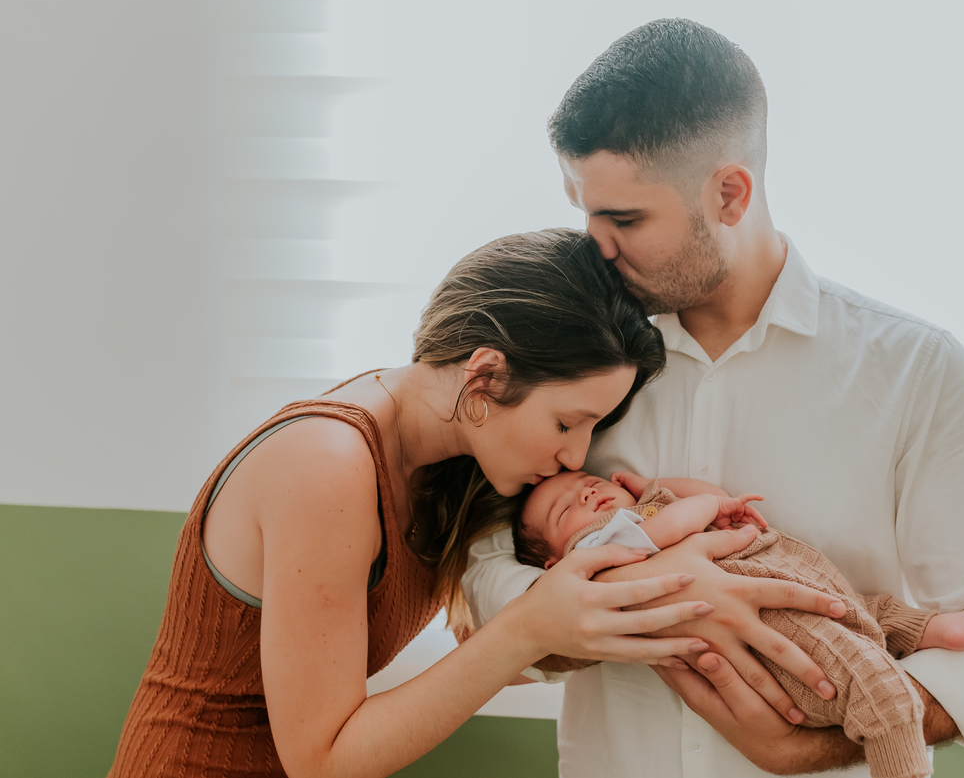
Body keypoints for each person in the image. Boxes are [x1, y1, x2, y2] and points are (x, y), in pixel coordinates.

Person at [462, 19, 964, 777]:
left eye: (624, 219)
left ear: (730, 193)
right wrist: (644, 587)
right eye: (583, 209)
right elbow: (480, 581)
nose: (594, 245)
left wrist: (810, 743)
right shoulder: (570, 365)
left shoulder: (917, 371)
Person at [107, 229, 766, 778]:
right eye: (568, 422)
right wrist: (532, 627)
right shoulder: (327, 465)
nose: (576, 455)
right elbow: (322, 757)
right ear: (484, 376)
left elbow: (485, 642)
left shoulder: (455, 466)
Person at [512, 470, 964, 778]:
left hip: (808, 593)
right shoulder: (601, 555)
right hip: (780, 634)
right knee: (881, 690)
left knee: (874, 611)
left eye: (591, 483)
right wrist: (702, 505)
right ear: (554, 562)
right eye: (566, 509)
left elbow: (702, 497)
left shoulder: (646, 511)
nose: (587, 496)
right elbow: (678, 519)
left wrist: (658, 487)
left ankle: (936, 630)